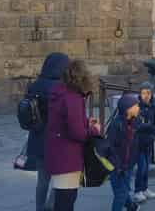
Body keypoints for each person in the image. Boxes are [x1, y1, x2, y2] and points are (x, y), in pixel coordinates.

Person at [45, 59, 101, 211]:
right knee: (66, 201)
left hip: (58, 153)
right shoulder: (72, 98)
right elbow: (77, 133)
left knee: (63, 199)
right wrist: (94, 130)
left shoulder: (60, 92)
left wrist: (85, 122)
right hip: (67, 157)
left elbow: (65, 122)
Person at [25, 53, 70, 211]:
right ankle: (50, 206)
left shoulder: (35, 85)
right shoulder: (61, 88)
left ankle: (39, 208)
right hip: (56, 140)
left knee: (42, 179)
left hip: (37, 137)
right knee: (61, 178)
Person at [106, 93, 142, 211]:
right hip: (117, 165)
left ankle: (131, 206)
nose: (138, 107)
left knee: (121, 191)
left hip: (128, 165)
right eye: (136, 105)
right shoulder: (116, 125)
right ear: (128, 109)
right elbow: (110, 147)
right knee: (120, 191)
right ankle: (131, 206)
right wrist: (117, 165)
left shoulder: (135, 121)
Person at [132, 82, 155, 203]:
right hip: (138, 142)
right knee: (141, 167)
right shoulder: (136, 106)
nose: (146, 95)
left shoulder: (154, 107)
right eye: (143, 93)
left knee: (146, 167)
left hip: (149, 141)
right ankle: (137, 191)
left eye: (148, 93)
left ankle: (145, 188)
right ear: (140, 94)